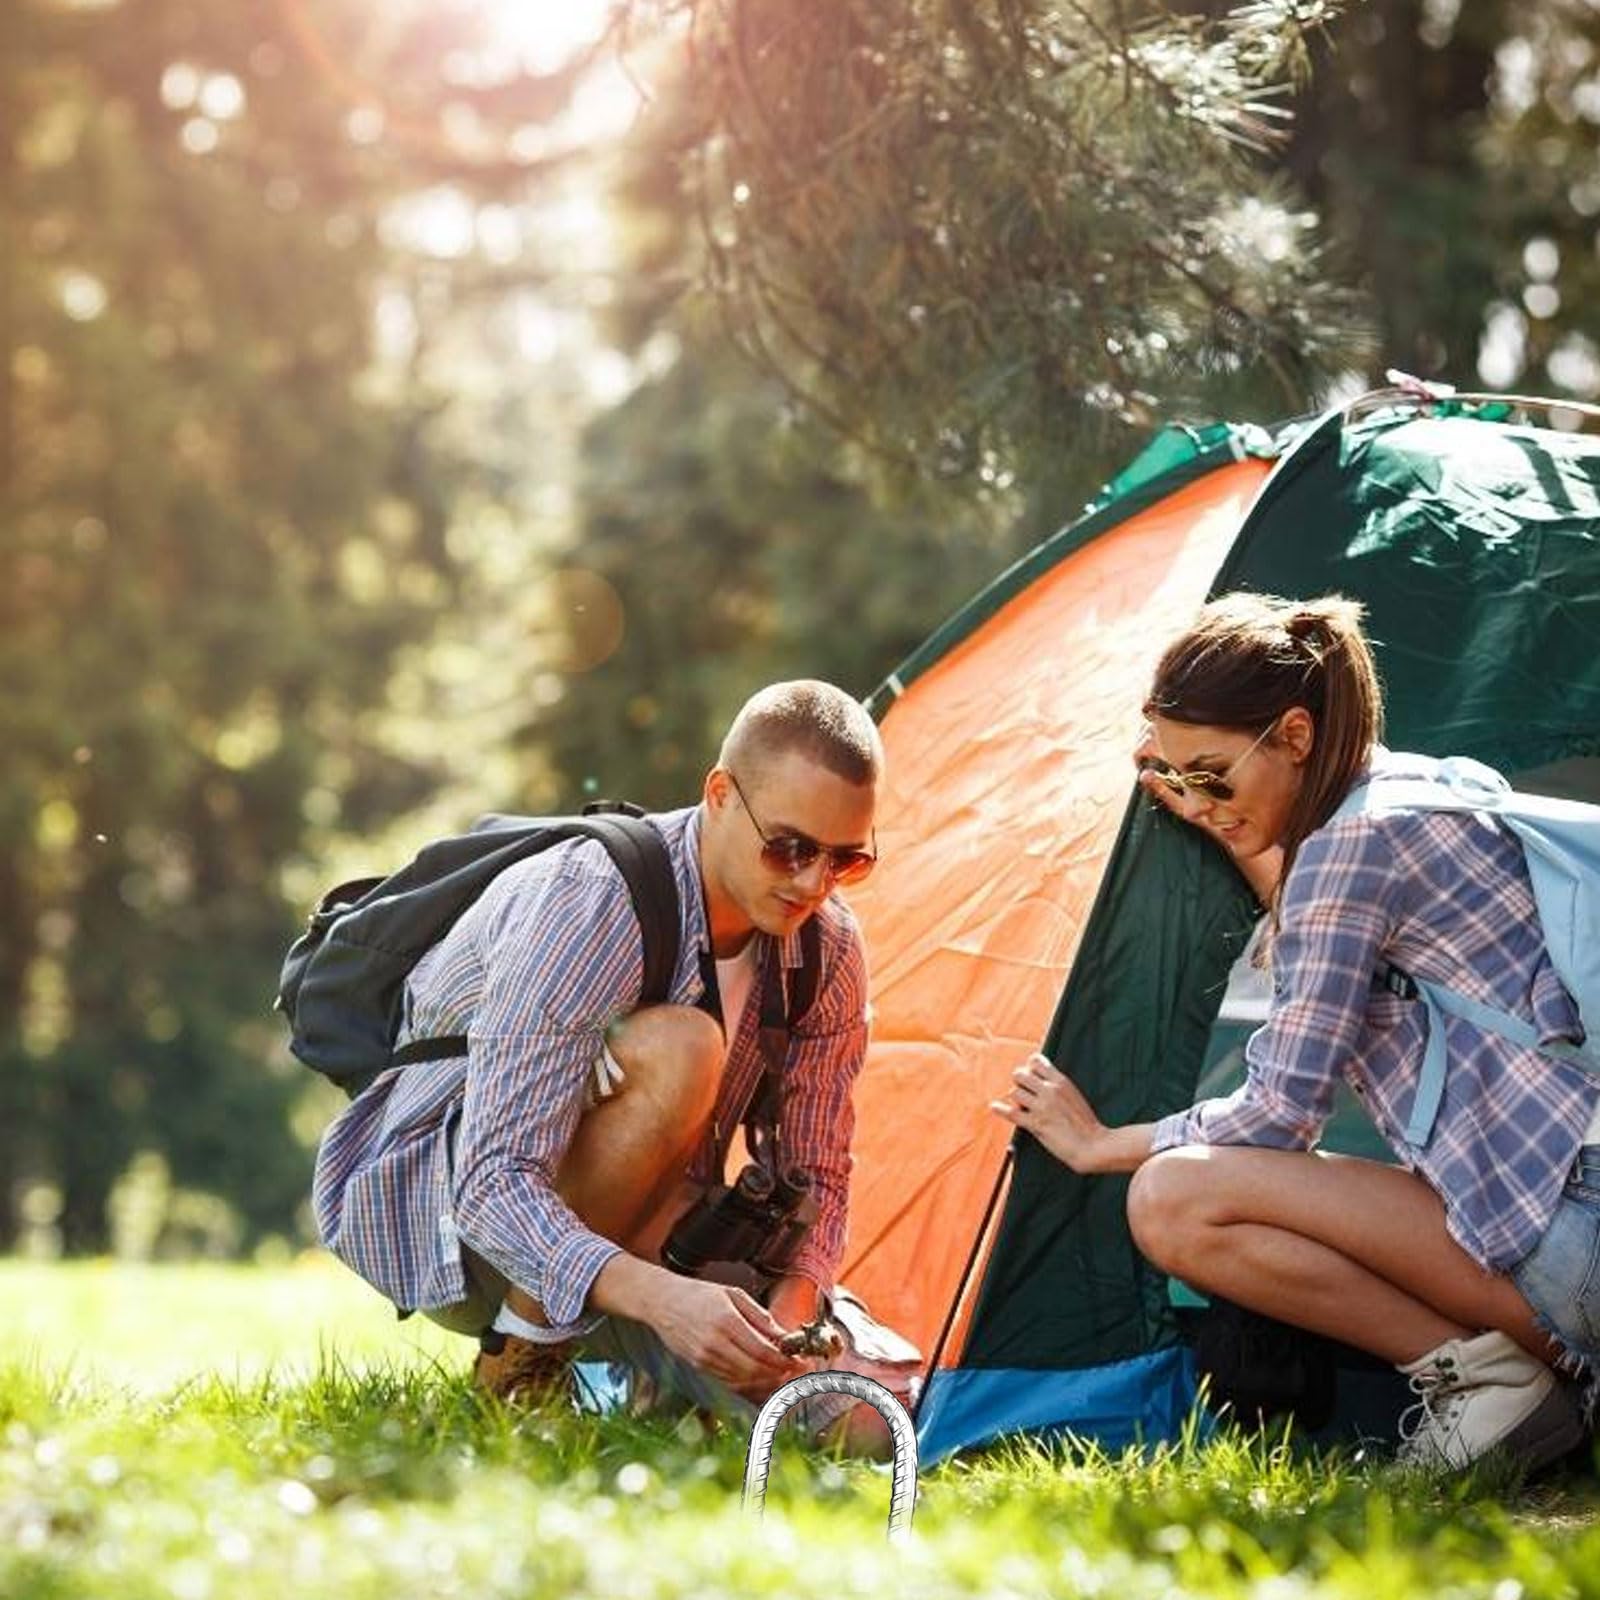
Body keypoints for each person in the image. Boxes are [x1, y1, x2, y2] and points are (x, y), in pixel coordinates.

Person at [990, 592, 1600, 1473]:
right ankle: (1508, 1380)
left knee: (1172, 1199)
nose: (1198, 800)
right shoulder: (1417, 792)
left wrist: (1102, 1144)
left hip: (1572, 1247)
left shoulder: (1347, 857)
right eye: (1179, 777)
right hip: (1577, 1215)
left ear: (1296, 738)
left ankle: (1488, 1384)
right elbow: (1331, 916)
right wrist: (1226, 811)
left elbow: (1281, 1117)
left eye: (1212, 774)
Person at [312, 679, 883, 1439]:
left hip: (658, 1229)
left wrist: (794, 1314)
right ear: (719, 795)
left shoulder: (830, 949)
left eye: (846, 861)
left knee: (867, 1426)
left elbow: (821, 1171)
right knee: (682, 1049)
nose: (813, 884)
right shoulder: (592, 901)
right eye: (790, 848)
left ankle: (657, 1389)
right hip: (460, 1226)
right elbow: (491, 1185)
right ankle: (519, 1371)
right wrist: (664, 1301)